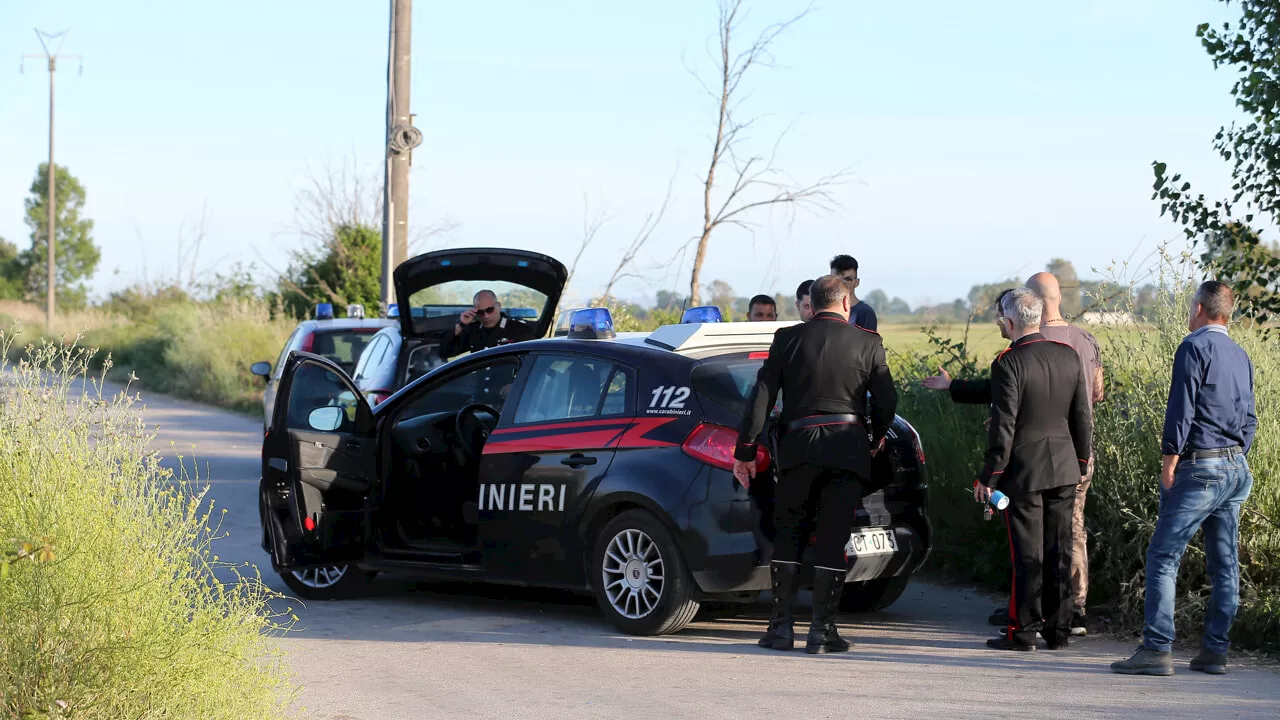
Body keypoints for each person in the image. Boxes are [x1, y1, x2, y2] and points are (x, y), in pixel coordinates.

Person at [733, 275, 897, 654]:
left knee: (788, 534)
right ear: (845, 303)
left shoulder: (787, 339)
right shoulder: (868, 343)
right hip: (847, 450)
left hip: (797, 450)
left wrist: (744, 451)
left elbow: (761, 396)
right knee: (833, 538)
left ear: (812, 302)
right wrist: (872, 438)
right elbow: (887, 402)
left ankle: (781, 629)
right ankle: (822, 632)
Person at [1112, 281, 1256, 677]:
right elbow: (1250, 417)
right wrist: (1236, 455)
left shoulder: (1193, 348)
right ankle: (1215, 651)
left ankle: (1157, 649)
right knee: (1224, 563)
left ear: (1198, 308)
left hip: (1200, 465)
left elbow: (1181, 409)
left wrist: (1169, 463)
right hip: (1234, 467)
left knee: (1163, 556)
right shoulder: (1240, 355)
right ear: (1228, 312)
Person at [978, 288, 1092, 652]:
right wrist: (1081, 460)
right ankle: (1059, 631)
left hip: (1024, 472)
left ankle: (1023, 631)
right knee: (1059, 550)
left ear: (1009, 322)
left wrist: (989, 476)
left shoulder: (1007, 362)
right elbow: (1082, 417)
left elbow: (1003, 427)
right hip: (1064, 466)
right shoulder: (1069, 356)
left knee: (1028, 554)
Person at [1026, 271, 1104, 637]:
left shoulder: (1030, 341)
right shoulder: (1086, 339)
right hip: (1081, 448)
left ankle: (1041, 607)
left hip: (1040, 449)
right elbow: (1099, 392)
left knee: (1036, 529)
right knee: (1074, 528)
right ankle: (1076, 606)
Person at [439, 289, 535, 359]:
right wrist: (461, 325)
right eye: (480, 312)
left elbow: (532, 362)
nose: (486, 316)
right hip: (480, 384)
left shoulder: (519, 329)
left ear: (498, 306)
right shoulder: (474, 330)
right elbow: (445, 352)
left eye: (490, 310)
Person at [829, 255, 878, 331]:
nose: (842, 283)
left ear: (856, 282)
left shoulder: (865, 313)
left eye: (848, 279)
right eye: (836, 280)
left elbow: (868, 342)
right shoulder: (823, 310)